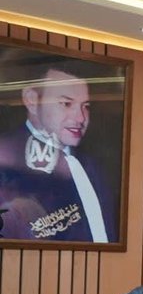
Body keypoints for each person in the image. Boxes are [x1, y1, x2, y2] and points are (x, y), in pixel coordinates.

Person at [0, 58, 114, 242]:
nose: (80, 118)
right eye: (66, 104)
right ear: (32, 100)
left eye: (86, 106)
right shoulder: (7, 158)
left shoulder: (93, 165)